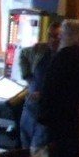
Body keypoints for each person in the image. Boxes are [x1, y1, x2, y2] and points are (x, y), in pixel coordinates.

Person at [38, 19, 79, 157]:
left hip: (62, 126)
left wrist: (43, 116)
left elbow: (49, 92)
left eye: (61, 35)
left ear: (66, 37)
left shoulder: (60, 59)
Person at [18, 18, 61, 150]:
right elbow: (22, 54)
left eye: (57, 36)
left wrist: (43, 95)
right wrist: (27, 76)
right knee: (25, 147)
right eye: (50, 36)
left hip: (46, 112)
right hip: (30, 107)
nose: (53, 40)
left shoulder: (64, 57)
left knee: (37, 149)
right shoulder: (40, 49)